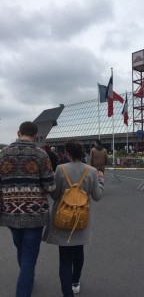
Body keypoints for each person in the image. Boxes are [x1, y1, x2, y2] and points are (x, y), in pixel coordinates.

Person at [0, 121, 56, 297]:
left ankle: (26, 276)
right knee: (29, 256)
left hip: (10, 211)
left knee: (21, 249)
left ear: (18, 133)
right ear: (35, 135)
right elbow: (50, 186)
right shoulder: (41, 154)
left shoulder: (3, 154)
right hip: (34, 213)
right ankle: (25, 283)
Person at [42, 140, 104, 297]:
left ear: (67, 153)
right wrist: (101, 180)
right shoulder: (91, 171)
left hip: (63, 217)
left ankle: (67, 293)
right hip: (82, 218)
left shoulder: (60, 169)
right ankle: (75, 282)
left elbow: (54, 195)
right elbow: (97, 196)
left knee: (64, 258)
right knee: (79, 251)